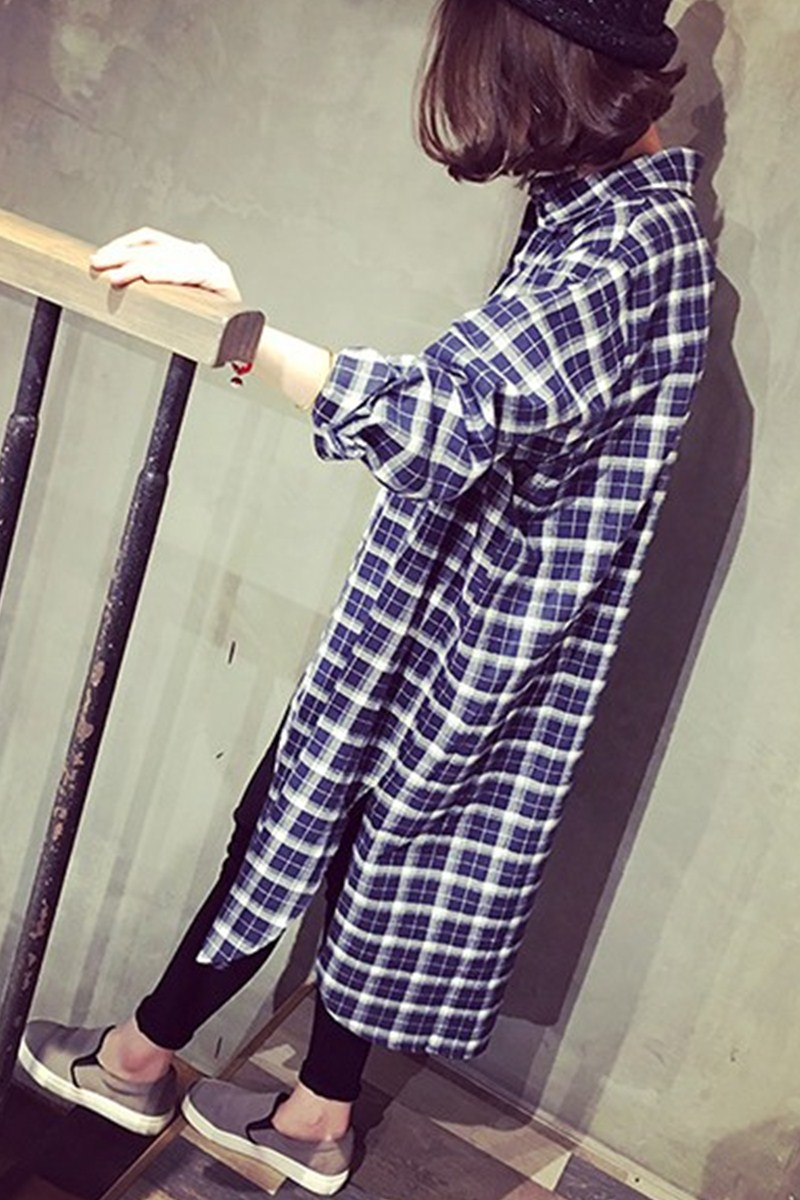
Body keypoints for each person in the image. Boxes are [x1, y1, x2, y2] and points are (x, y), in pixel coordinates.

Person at [18, 0, 715, 1194]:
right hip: (466, 623)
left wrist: (237, 332)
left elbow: (443, 415)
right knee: (365, 846)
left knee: (306, 823)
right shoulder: (609, 216)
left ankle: (138, 1059)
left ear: (545, 72)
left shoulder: (624, 252)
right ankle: (312, 1113)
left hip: (470, 630)